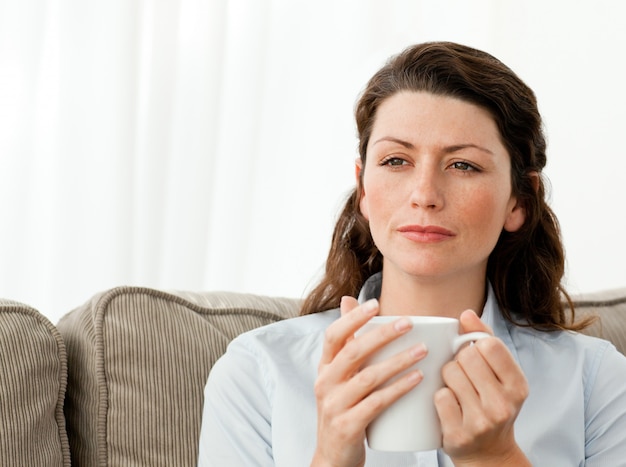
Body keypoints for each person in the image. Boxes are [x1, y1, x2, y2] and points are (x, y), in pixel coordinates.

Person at [197, 42, 626, 466]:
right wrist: (331, 458)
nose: (425, 196)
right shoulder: (257, 373)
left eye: (463, 166)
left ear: (519, 201)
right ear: (363, 188)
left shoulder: (595, 381)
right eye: (397, 160)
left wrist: (494, 457)